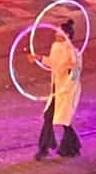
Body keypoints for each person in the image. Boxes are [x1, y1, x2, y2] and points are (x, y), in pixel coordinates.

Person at [35, 18, 83, 160]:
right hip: (56, 89)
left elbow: (75, 75)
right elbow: (53, 63)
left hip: (66, 91)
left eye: (59, 31)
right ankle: (45, 147)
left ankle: (71, 145)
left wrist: (67, 85)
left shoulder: (74, 53)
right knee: (49, 117)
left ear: (66, 35)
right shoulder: (56, 47)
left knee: (63, 120)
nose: (56, 33)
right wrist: (39, 58)